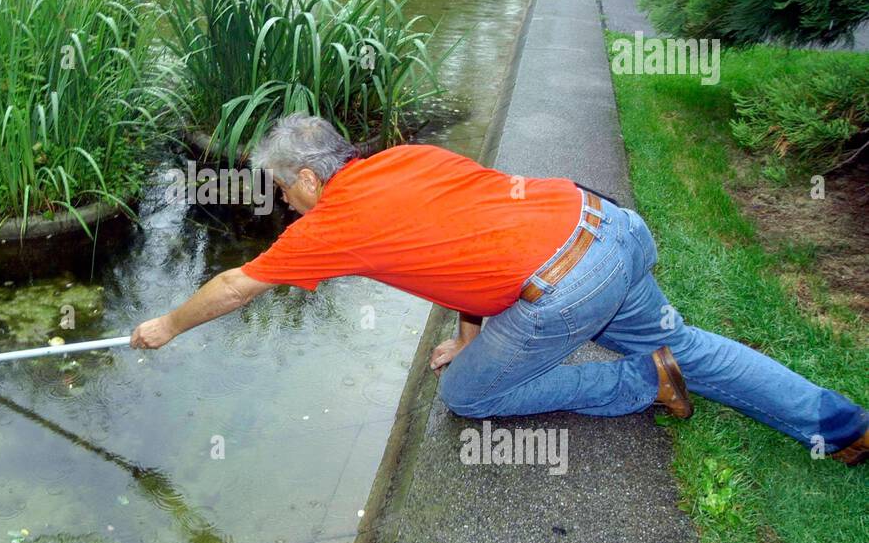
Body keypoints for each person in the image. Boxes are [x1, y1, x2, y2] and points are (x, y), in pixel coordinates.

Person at [130, 114, 869, 465]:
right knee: (690, 348)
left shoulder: (331, 225)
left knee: (468, 400)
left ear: (311, 179)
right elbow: (467, 245)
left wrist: (165, 325)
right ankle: (842, 426)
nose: (282, 203)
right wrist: (469, 335)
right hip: (609, 225)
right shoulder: (405, 158)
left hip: (569, 283)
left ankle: (640, 384)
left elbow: (232, 287)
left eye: (282, 190)